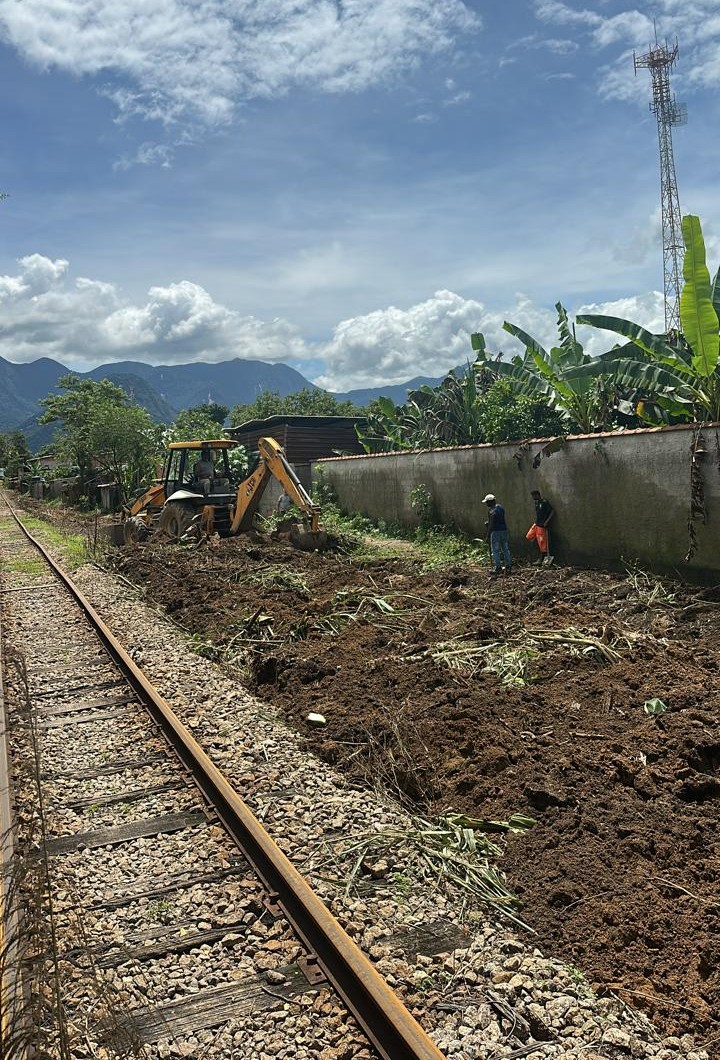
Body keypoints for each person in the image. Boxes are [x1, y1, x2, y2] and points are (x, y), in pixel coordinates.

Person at [483, 493, 511, 577]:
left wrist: (488, 535)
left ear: (490, 502)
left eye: (487, 502)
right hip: (504, 530)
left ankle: (498, 567)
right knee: (505, 548)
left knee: (495, 550)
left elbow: (492, 524)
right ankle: (508, 565)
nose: (486, 504)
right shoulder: (500, 507)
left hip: (496, 532)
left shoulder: (491, 511)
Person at [526, 489, 554, 566]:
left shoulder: (544, 502)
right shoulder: (536, 503)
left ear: (537, 495)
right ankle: (537, 551)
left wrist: (547, 522)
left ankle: (541, 559)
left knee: (542, 544)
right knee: (529, 536)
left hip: (542, 525)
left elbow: (552, 512)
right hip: (536, 524)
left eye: (533, 496)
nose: (533, 497)